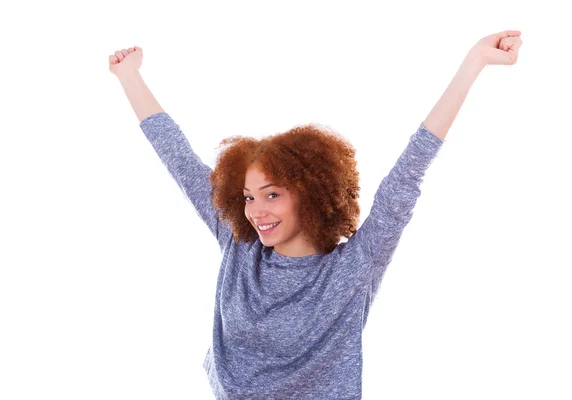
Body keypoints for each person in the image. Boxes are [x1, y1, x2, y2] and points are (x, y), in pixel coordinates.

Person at [109, 30, 523, 399]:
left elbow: (408, 171)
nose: (256, 211)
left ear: (310, 193)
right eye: (249, 197)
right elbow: (177, 157)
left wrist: (475, 63)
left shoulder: (354, 267)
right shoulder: (240, 246)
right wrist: (130, 75)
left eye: (271, 194)